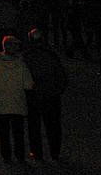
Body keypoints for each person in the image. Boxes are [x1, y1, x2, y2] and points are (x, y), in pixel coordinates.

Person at [0, 36, 35, 163]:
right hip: (17, 103)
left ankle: (6, 156)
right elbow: (28, 84)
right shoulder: (20, 63)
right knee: (18, 133)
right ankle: (20, 156)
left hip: (0, 104)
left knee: (3, 133)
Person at [22, 29, 67, 162]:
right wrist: (58, 89)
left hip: (34, 96)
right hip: (51, 95)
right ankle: (55, 152)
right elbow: (61, 75)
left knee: (34, 126)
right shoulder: (51, 55)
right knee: (53, 125)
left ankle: (37, 153)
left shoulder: (26, 56)